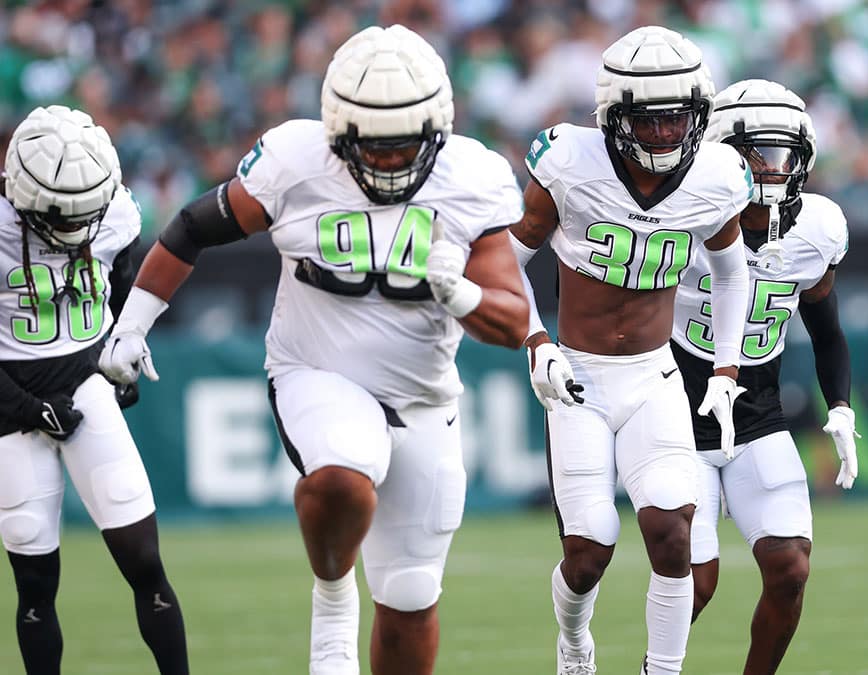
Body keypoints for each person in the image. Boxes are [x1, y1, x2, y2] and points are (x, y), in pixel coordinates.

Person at [98, 26, 529, 675]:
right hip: (316, 370)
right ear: (338, 132)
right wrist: (132, 325)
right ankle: (332, 595)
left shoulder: (474, 177)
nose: (387, 162)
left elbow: (514, 318)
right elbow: (190, 228)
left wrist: (462, 294)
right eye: (371, 147)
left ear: (437, 131)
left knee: (411, 597)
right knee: (339, 478)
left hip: (425, 395)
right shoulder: (294, 162)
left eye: (403, 145)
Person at [508, 25, 752, 675]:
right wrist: (535, 339)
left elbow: (733, 273)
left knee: (673, 532)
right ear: (615, 117)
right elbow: (501, 261)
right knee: (589, 551)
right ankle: (573, 641)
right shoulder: (568, 164)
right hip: (580, 376)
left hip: (654, 375)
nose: (669, 135)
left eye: (680, 121)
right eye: (653, 122)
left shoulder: (717, 178)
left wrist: (726, 365)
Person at [672, 79, 859, 675]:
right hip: (679, 416)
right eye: (757, 153)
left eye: (782, 153)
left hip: (759, 414)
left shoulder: (818, 228)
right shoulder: (685, 211)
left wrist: (841, 408)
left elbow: (827, 331)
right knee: (695, 586)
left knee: (791, 568)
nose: (772, 168)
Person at [0, 105, 189, 674]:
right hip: (11, 410)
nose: (77, 229)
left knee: (144, 559)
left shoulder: (115, 213)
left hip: (84, 386)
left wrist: (122, 344)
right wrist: (31, 409)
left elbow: (123, 288)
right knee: (34, 579)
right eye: (63, 215)